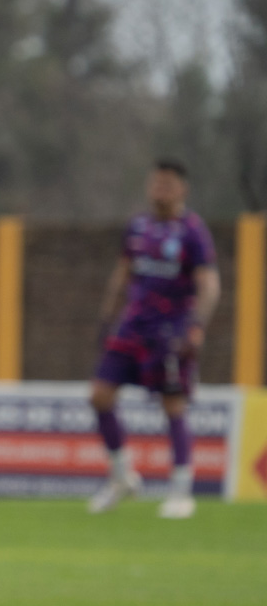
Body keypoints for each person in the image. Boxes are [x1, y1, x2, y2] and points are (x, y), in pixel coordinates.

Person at [86, 159, 220, 519]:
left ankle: (180, 492)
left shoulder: (192, 231)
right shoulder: (138, 227)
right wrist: (106, 318)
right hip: (132, 326)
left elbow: (209, 284)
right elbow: (123, 273)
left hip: (171, 329)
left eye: (167, 184)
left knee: (173, 405)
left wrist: (196, 326)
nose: (159, 190)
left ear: (182, 190)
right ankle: (121, 477)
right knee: (99, 394)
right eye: (155, 183)